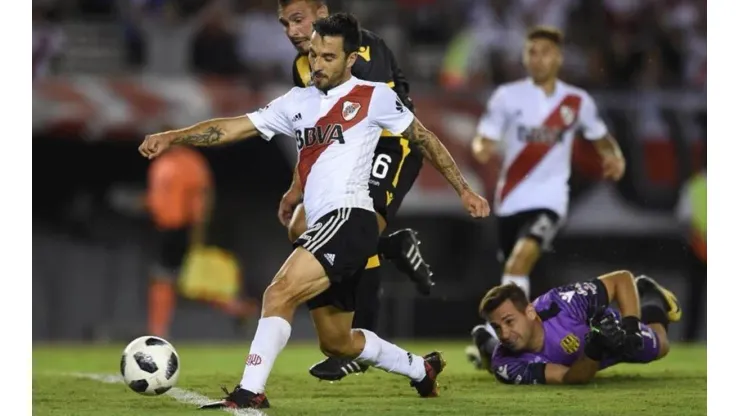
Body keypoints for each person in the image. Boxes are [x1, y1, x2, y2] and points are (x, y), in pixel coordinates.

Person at [138, 13, 490, 409]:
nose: (317, 64)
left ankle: (249, 393)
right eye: (315, 55)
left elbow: (423, 139)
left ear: (351, 59)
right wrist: (175, 136)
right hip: (323, 224)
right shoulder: (297, 101)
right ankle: (420, 369)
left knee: (278, 292)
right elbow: (234, 127)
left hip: (350, 217)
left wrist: (464, 190)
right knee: (338, 342)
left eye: (328, 57)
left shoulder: (374, 96)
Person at [276, 0, 433, 382]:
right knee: (300, 227)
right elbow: (314, 132)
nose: (293, 31)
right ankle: (392, 250)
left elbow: (366, 105)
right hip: (346, 152)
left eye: (299, 20)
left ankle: (360, 339)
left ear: (322, 12)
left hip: (391, 144)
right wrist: (298, 186)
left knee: (361, 227)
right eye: (285, 24)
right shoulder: (303, 67)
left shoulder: (361, 47)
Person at [470, 26, 626, 299]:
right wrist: (482, 148)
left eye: (545, 52)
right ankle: (502, 329)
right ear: (524, 57)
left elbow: (601, 138)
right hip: (510, 197)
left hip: (550, 198)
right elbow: (484, 137)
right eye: (532, 52)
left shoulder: (576, 101)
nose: (538, 58)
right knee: (512, 268)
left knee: (520, 261)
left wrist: (614, 156)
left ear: (558, 58)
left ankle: (512, 335)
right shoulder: (507, 97)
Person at [465, 271, 681, 385]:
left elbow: (622, 279)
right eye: (496, 327)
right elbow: (570, 378)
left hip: (611, 329)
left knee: (661, 347)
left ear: (530, 312)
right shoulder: (507, 363)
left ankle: (652, 302)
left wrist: (631, 328)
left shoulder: (562, 302)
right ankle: (483, 339)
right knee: (496, 364)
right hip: (594, 349)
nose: (504, 334)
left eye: (509, 322)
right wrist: (595, 346)